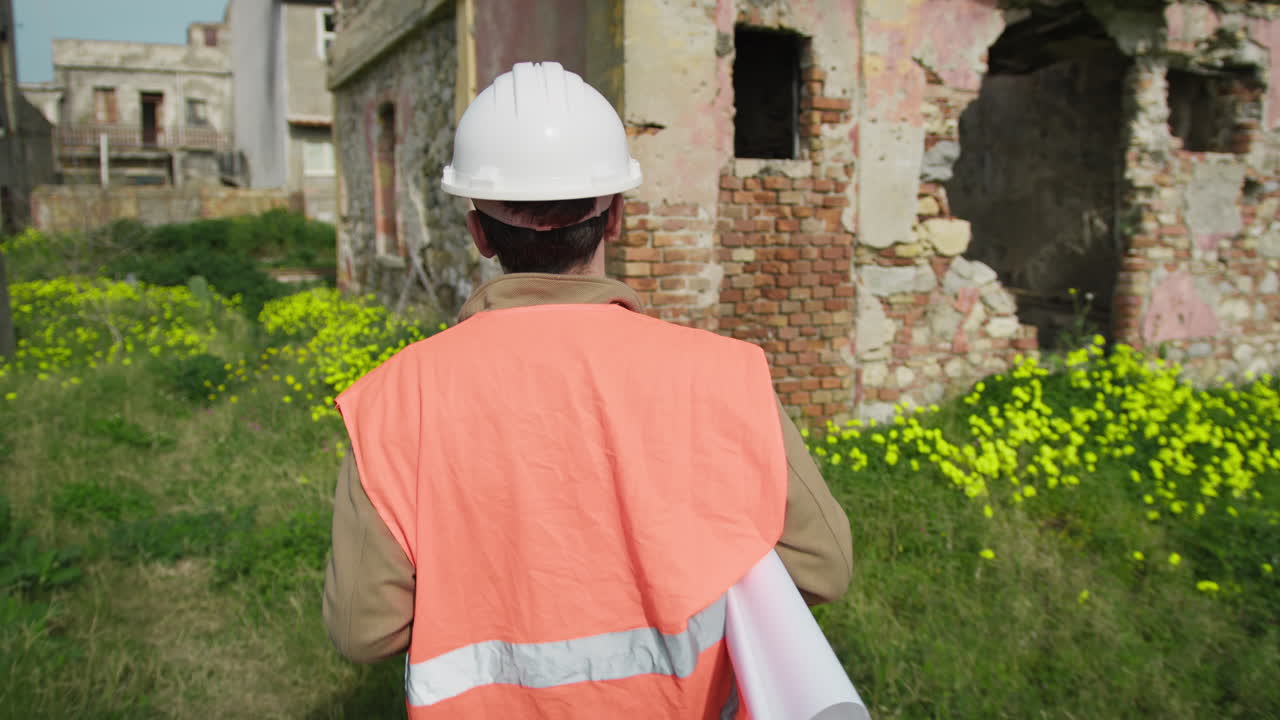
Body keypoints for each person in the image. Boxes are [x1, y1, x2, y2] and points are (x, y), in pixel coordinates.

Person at [324, 61, 852, 719]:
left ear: (480, 233)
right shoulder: (723, 377)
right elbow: (823, 567)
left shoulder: (393, 403)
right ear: (616, 218)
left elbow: (362, 628)